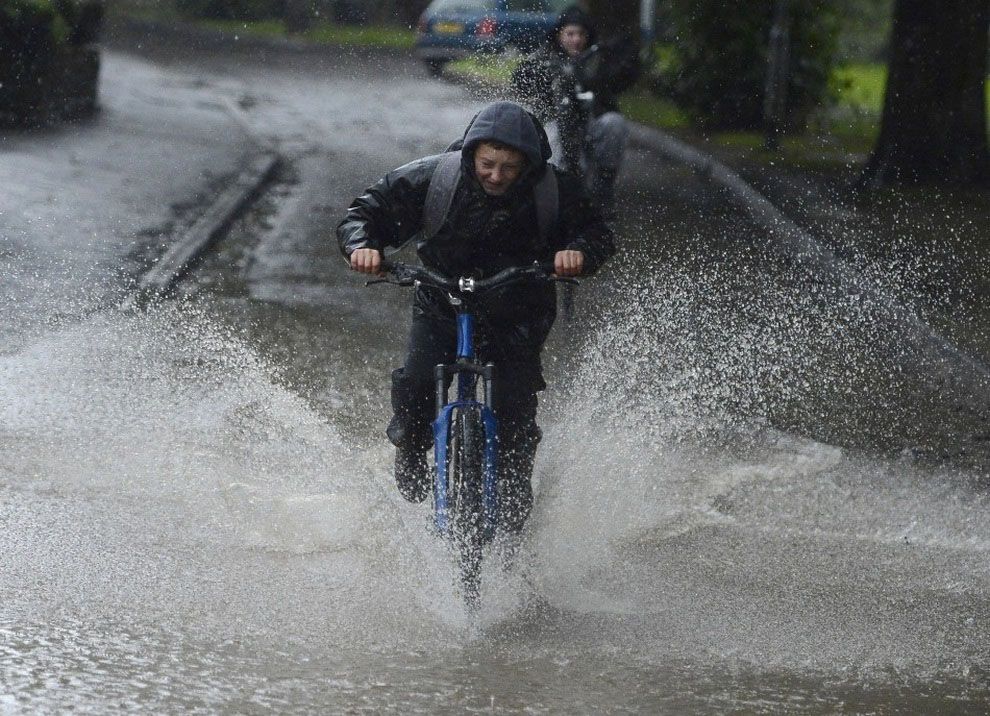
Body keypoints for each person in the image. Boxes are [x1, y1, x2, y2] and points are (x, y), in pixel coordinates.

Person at [337, 101, 615, 535]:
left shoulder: (555, 190)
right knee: (415, 381)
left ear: (529, 164)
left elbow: (597, 230)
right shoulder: (435, 177)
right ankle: (410, 445)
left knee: (515, 403)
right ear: (471, 155)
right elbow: (364, 213)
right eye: (487, 164)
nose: (497, 176)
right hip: (441, 299)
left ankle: (513, 481)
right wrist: (363, 247)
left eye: (509, 167)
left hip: (518, 307)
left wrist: (578, 253)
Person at [511, 5, 640, 218]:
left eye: (581, 34)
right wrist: (547, 77)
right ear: (560, 35)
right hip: (556, 124)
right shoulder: (546, 56)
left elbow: (624, 76)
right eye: (570, 34)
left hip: (592, 122)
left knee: (615, 124)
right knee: (552, 142)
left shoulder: (598, 58)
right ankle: (552, 196)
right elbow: (520, 78)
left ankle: (603, 189)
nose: (576, 40)